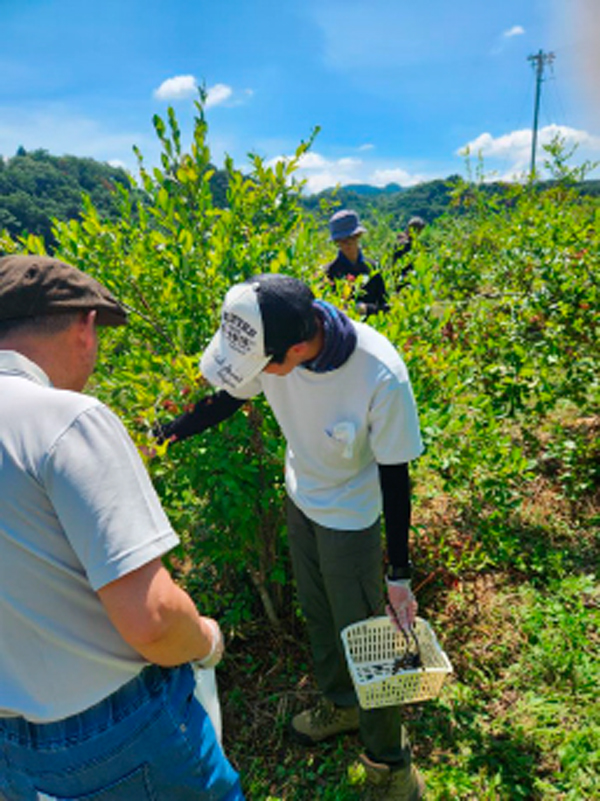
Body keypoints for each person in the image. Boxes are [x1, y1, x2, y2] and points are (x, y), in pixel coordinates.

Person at [156, 273, 425, 800]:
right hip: (302, 499)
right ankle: (341, 706)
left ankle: (390, 764)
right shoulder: (270, 338)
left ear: (299, 348)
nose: (254, 376)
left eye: (264, 365)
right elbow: (225, 400)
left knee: (370, 640)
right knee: (320, 616)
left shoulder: (379, 373)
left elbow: (396, 477)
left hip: (353, 521)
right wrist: (161, 437)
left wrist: (399, 576)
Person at [0, 255, 244, 801]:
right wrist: (205, 640)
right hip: (117, 735)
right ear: (85, 325)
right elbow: (154, 621)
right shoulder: (66, 419)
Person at [324, 209, 390, 317]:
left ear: (358, 236)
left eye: (351, 237)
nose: (347, 244)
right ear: (336, 242)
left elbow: (385, 306)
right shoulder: (330, 271)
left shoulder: (373, 267)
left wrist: (367, 309)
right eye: (342, 240)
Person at [391, 216, 426, 289]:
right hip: (404, 279)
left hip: (399, 278)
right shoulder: (406, 244)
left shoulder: (401, 240)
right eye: (419, 231)